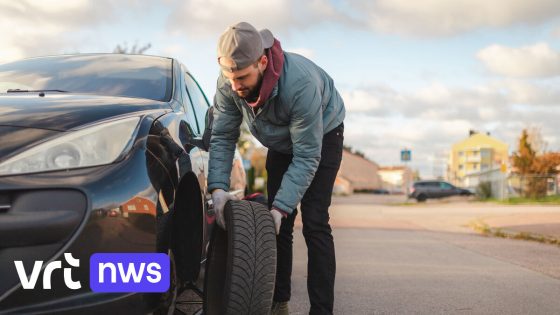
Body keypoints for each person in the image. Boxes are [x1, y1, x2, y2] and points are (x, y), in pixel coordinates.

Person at [208, 21, 345, 315]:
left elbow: (308, 156)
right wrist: (218, 188)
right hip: (281, 143)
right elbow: (222, 135)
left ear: (262, 61)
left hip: (322, 135)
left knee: (315, 221)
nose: (235, 86)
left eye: (242, 77)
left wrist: (283, 206)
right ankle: (278, 302)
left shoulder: (300, 85)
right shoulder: (228, 82)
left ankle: (322, 310)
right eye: (229, 77)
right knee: (276, 226)